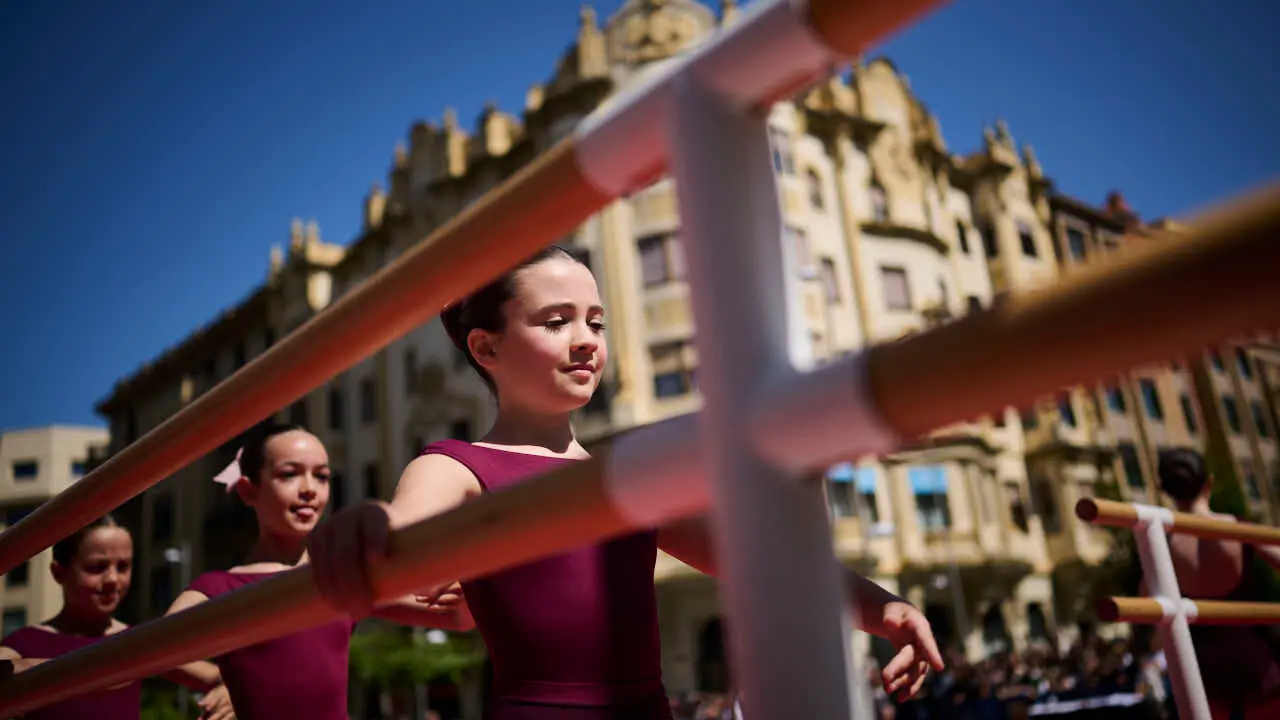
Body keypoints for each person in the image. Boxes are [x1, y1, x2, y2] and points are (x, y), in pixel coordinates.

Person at [306, 245, 944, 719]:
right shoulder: (455, 463)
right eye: (556, 321)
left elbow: (760, 558)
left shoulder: (624, 476)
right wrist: (373, 529)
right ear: (486, 348)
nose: (586, 340)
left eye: (596, 322)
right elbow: (402, 522)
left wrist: (883, 607)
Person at [166, 423, 469, 720]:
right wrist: (220, 681)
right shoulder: (220, 586)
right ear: (248, 490)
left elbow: (456, 615)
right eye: (289, 474)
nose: (310, 489)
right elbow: (162, 647)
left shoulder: (339, 572)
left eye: (322, 476)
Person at [0, 515, 233, 720]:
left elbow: (224, 677)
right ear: (58, 571)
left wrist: (227, 694)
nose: (112, 579)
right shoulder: (23, 644)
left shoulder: (136, 642)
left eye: (123, 567)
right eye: (97, 567)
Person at [1154, 447, 1280, 719]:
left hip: (1202, 674)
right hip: (1254, 661)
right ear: (1208, 482)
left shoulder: (1163, 544)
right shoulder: (1235, 526)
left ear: (1167, 490)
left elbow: (1150, 603)